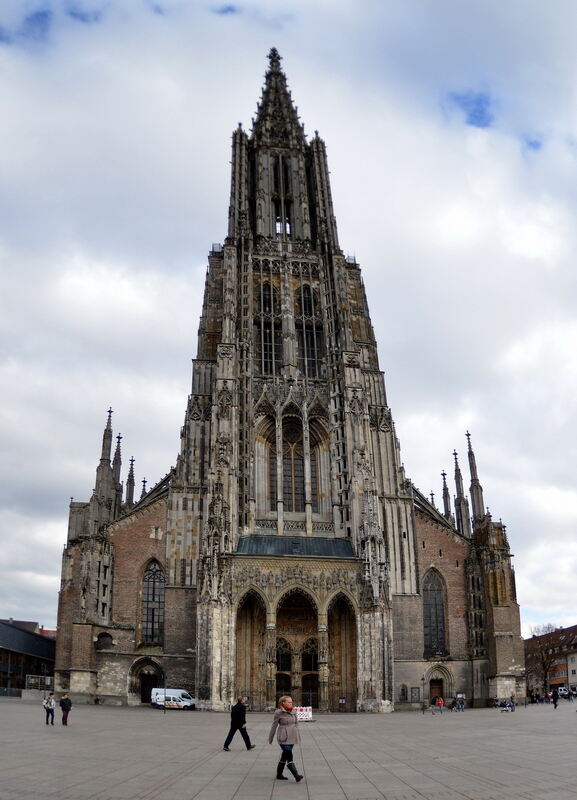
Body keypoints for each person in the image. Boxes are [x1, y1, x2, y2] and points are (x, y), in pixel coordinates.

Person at [268, 695, 303, 782]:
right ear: (283, 703)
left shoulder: (293, 711)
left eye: (291, 702)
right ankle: (296, 775)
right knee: (288, 754)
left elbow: (296, 723)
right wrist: (270, 738)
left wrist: (297, 734)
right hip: (283, 736)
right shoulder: (278, 713)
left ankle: (279, 774)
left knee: (284, 756)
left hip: (292, 736)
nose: (291, 703)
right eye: (289, 702)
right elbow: (274, 726)